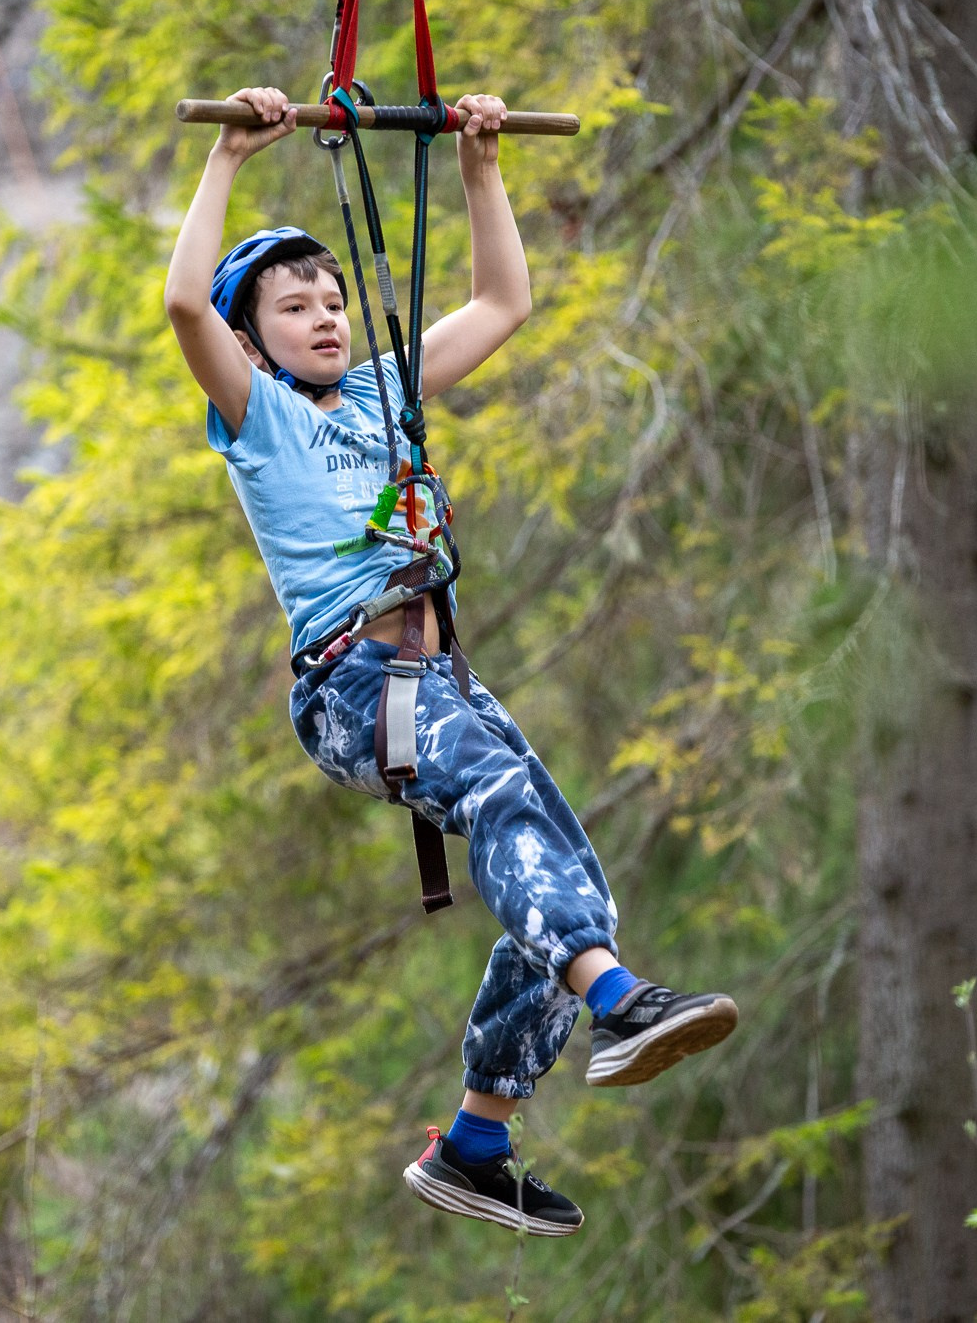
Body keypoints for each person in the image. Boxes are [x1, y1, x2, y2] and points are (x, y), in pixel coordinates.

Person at [163, 86, 737, 1237]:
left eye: (332, 300)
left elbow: (502, 301)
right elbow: (181, 302)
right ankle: (618, 1002)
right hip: (350, 684)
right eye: (292, 307)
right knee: (503, 791)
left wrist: (478, 164)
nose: (325, 318)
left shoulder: (382, 390)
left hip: (432, 676)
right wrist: (230, 156)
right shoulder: (259, 416)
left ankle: (477, 1138)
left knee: (569, 869)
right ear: (247, 338)